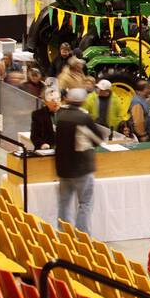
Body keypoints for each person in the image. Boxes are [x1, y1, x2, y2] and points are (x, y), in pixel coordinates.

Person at [53, 87, 109, 233]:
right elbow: (98, 139)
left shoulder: (61, 116)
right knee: (85, 203)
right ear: (83, 101)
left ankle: (64, 234)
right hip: (81, 168)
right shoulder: (83, 118)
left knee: (64, 203)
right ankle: (82, 237)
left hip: (63, 167)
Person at [31, 86, 60, 150]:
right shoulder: (38, 115)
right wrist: (42, 144)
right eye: (52, 100)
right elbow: (34, 136)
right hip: (46, 151)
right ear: (45, 101)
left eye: (57, 99)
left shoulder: (66, 113)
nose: (56, 102)